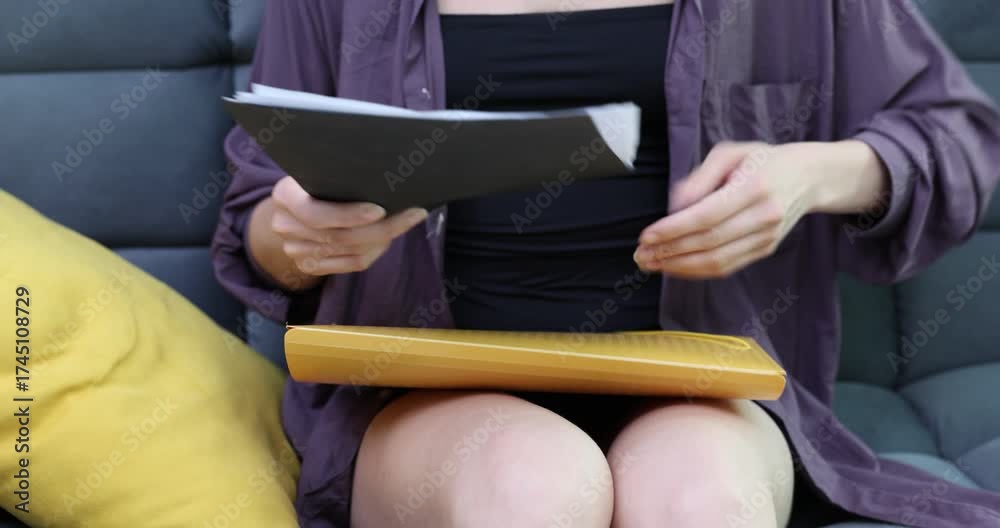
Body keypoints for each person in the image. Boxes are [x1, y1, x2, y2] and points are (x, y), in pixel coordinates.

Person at [212, 0, 1000, 526]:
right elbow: (258, 224)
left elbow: (959, 139)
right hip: (427, 394)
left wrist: (810, 177)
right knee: (532, 491)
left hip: (699, 386)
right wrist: (300, 236)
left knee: (698, 506)